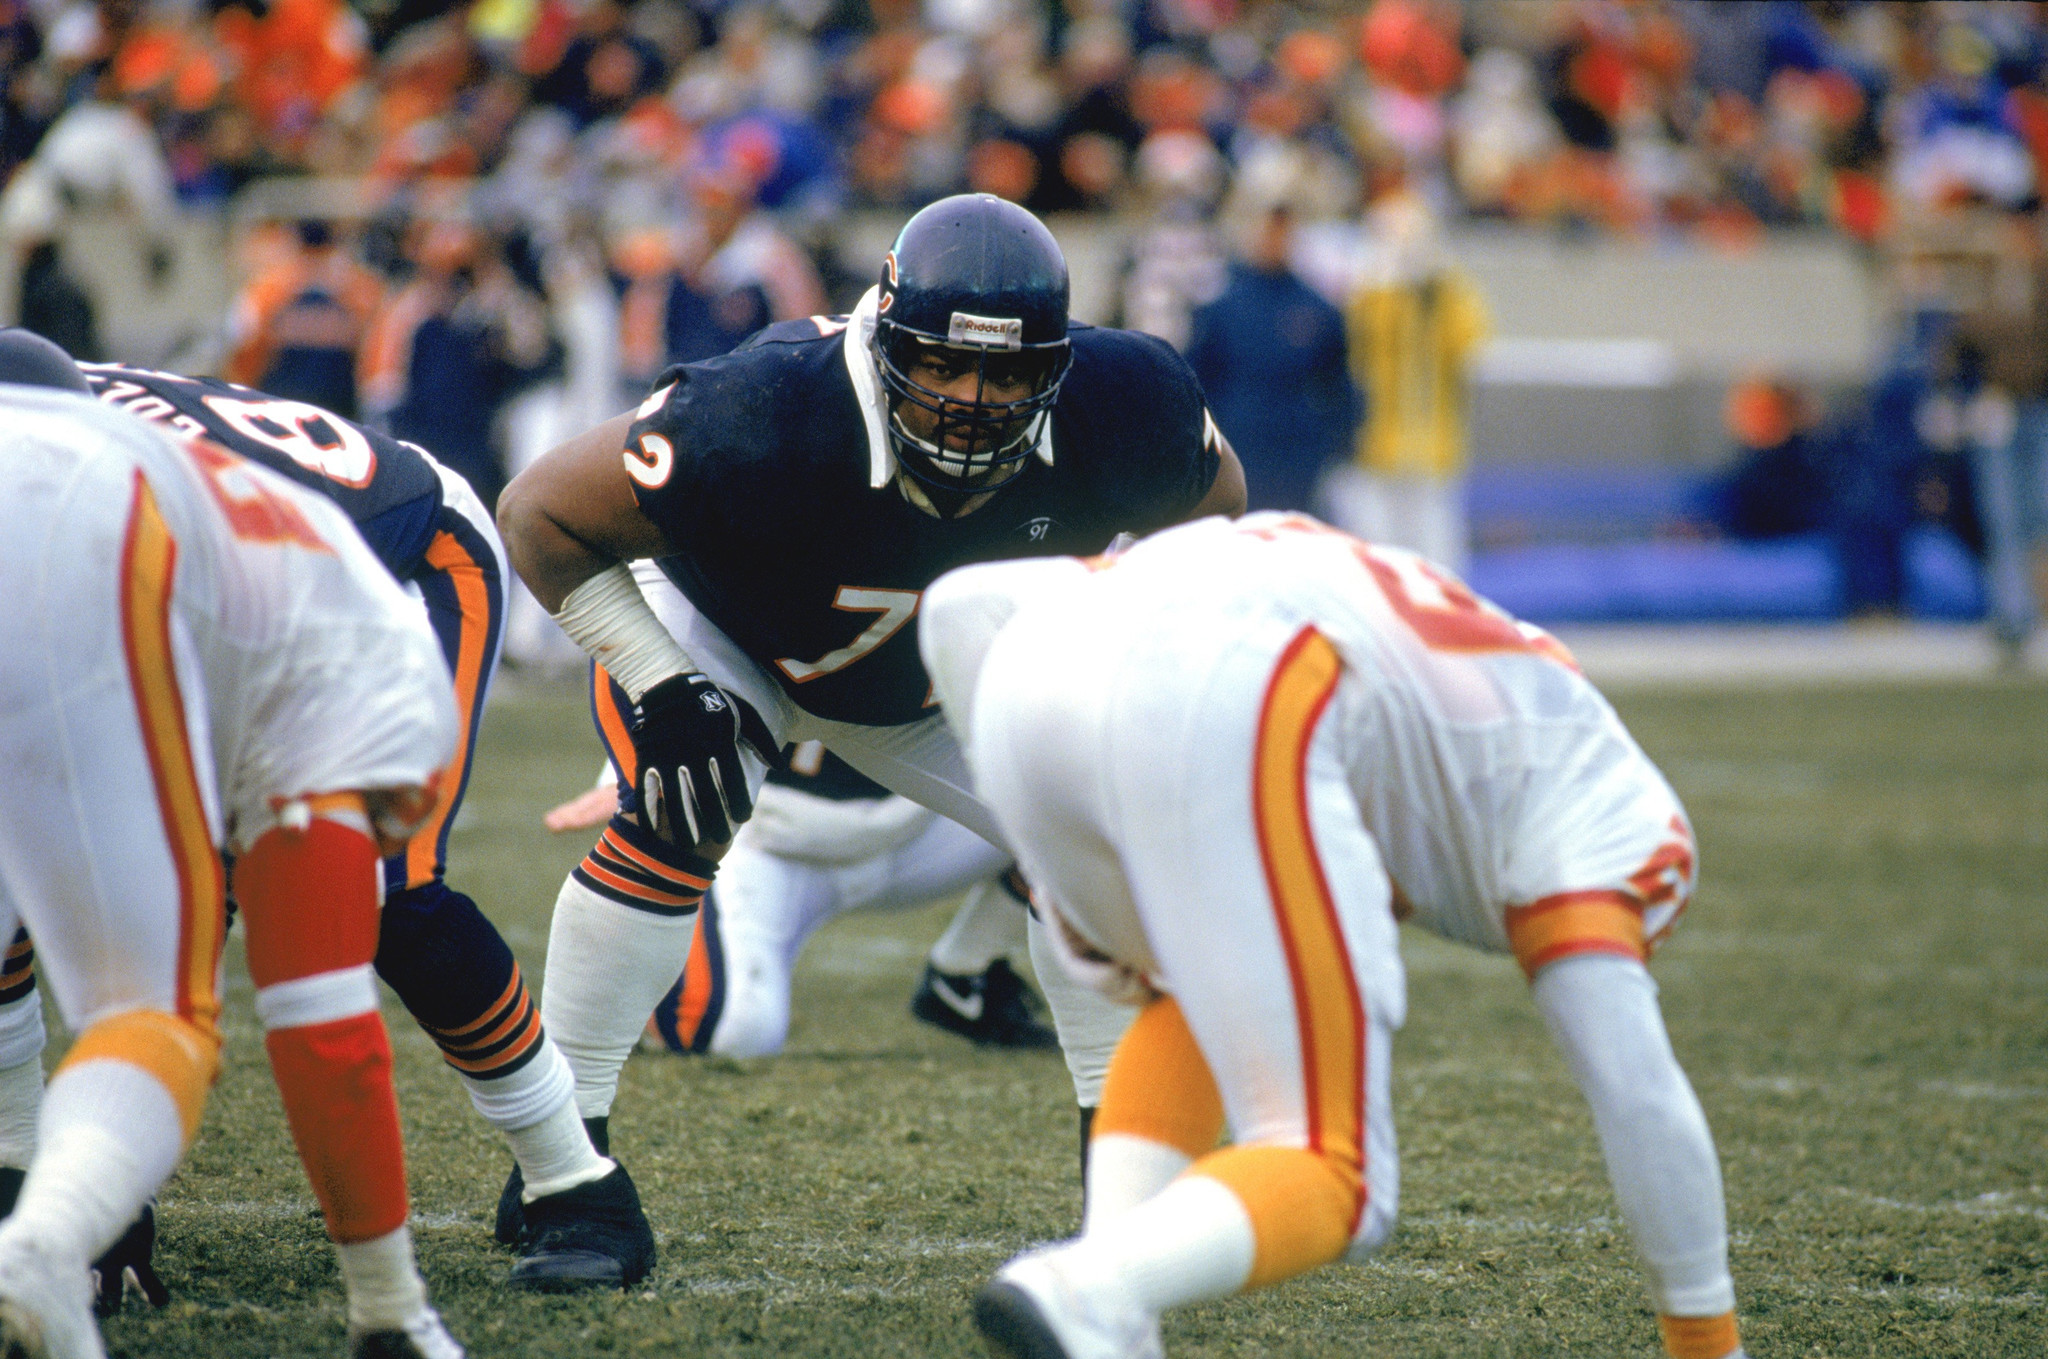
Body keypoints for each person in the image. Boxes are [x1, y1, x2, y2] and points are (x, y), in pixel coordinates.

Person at [493, 193, 1244, 1230]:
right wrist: (660, 684)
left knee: (1094, 840)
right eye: (940, 363)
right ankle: (561, 1175)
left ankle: (1119, 1200)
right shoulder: (760, 411)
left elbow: (1216, 527)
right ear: (885, 341)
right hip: (731, 635)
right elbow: (538, 513)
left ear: (1059, 367)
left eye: (1009, 372)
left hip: (919, 690)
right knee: (679, 810)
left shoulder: (1127, 402)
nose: (972, 399)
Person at [919, 512, 1746, 1359]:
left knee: (1183, 990)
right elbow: (1634, 1087)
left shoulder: (1435, 688)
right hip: (1236, 683)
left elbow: (958, 605)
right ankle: (1087, 1287)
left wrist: (1031, 824)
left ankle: (1114, 1321)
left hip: (1026, 674)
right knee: (1332, 1169)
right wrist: (1707, 1339)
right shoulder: (1599, 807)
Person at [73, 353, 653, 1291]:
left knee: (386, 889)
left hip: (403, 557)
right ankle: (63, 1187)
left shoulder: (71, 492)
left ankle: (576, 1184)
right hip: (230, 586)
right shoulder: (61, 475)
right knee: (137, 889)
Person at [0, 332, 464, 1359]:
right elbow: (324, 1027)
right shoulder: (367, 661)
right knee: (149, 1010)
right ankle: (40, 1243)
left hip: (106, 558)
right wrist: (390, 1307)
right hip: (96, 538)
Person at [620, 744, 1053, 1058]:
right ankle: (643, 986)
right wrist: (627, 774)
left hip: (919, 824)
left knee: (1081, 805)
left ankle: (963, 975)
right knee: (733, 1033)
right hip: (769, 841)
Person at [1322, 182, 1489, 575]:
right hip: (1372, 444)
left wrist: (1433, 287)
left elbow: (1469, 344)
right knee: (1376, 554)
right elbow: (1351, 348)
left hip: (1432, 446)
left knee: (1436, 554)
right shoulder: (1366, 293)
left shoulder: (1444, 292)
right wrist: (1380, 286)